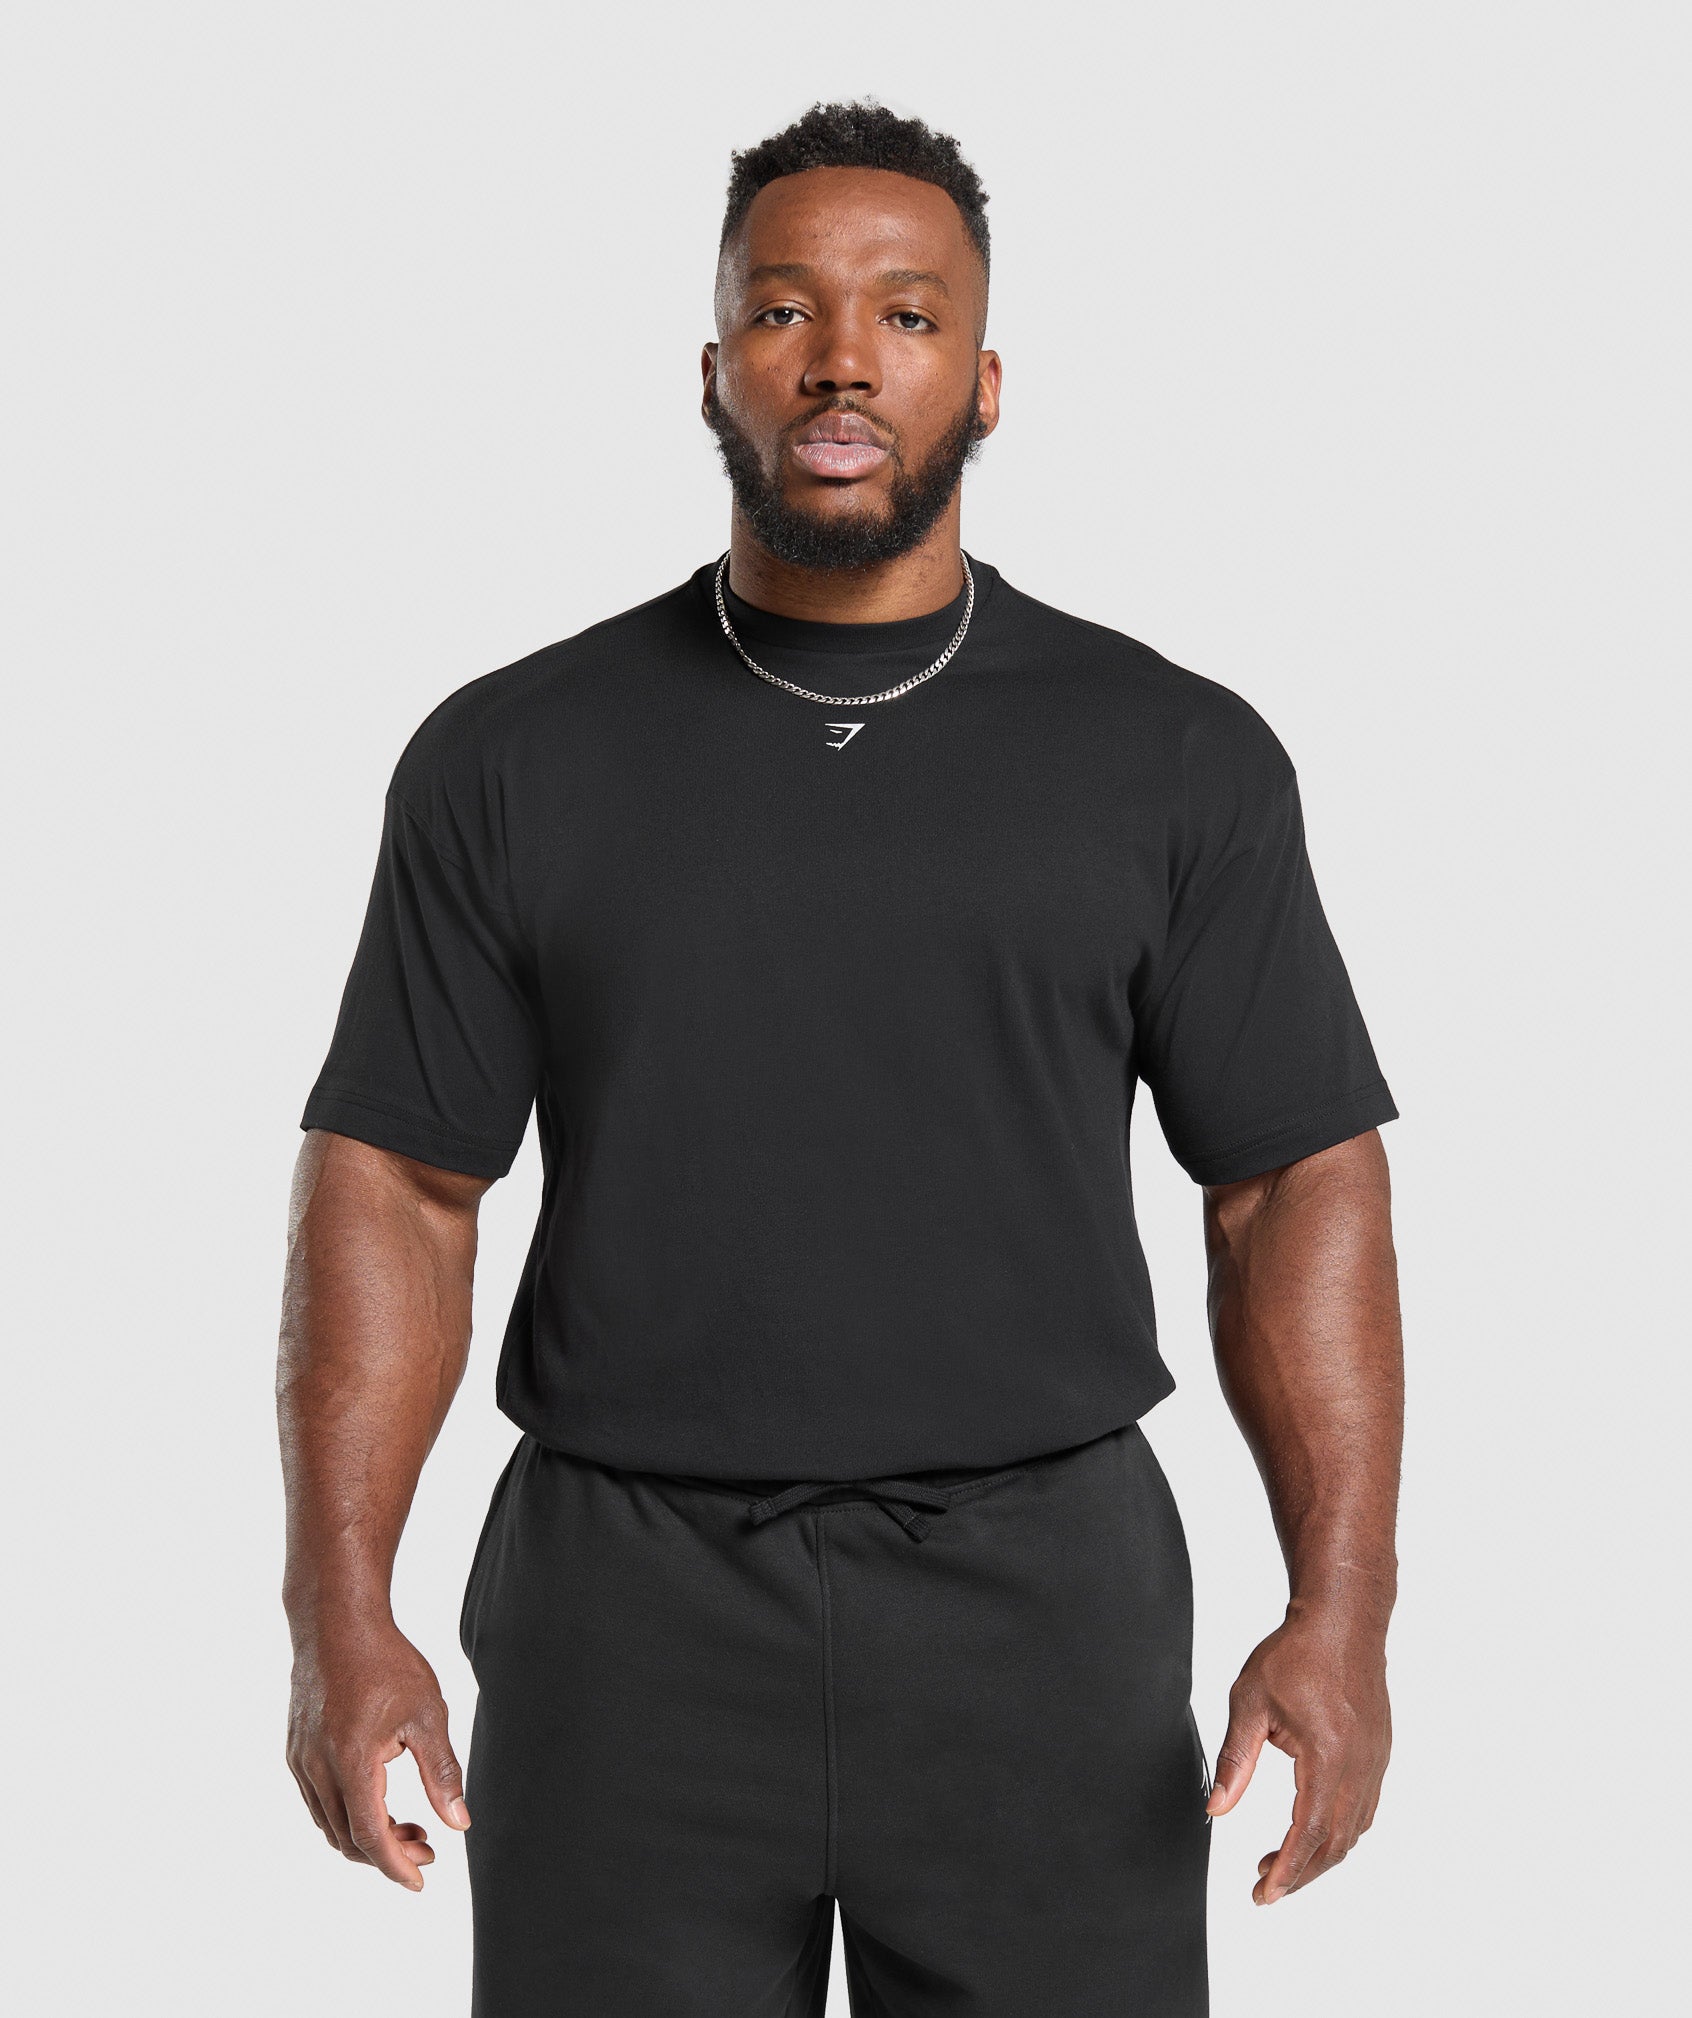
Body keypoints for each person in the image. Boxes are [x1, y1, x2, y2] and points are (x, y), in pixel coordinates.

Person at [279, 101, 1403, 2018]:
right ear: (717, 363)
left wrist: (1344, 1609)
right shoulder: (510, 756)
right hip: (623, 1610)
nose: (842, 360)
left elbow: (1290, 1178)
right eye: (786, 308)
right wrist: (337, 1609)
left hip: (1039, 1610)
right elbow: (400, 1178)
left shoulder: (1175, 757)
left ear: (986, 377)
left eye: (907, 313)